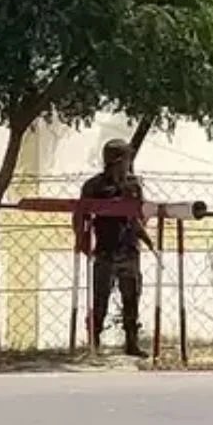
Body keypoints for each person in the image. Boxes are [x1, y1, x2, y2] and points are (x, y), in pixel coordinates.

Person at [79, 139, 152, 358]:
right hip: (105, 249)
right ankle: (94, 343)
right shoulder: (94, 186)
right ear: (117, 161)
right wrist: (82, 240)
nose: (128, 164)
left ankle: (131, 343)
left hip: (129, 249)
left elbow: (138, 215)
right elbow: (81, 215)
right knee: (100, 298)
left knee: (131, 297)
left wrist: (144, 236)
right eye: (126, 159)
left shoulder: (133, 185)